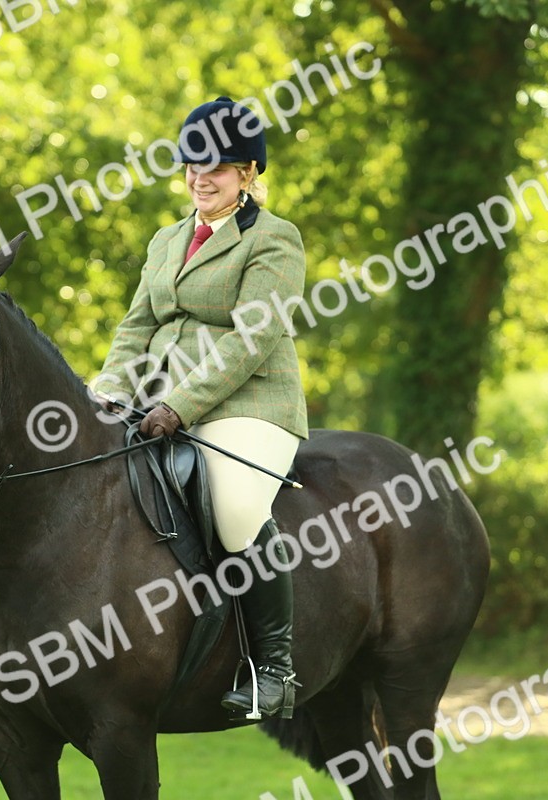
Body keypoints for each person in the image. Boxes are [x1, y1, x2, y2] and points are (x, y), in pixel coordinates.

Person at [91, 96, 309, 720]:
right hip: (155, 397)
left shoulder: (274, 239)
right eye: (191, 163)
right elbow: (137, 328)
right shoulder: (167, 240)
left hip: (250, 404)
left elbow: (252, 339)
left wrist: (180, 407)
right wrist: (107, 391)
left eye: (215, 166)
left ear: (248, 173)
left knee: (238, 513)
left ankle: (275, 669)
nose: (199, 176)